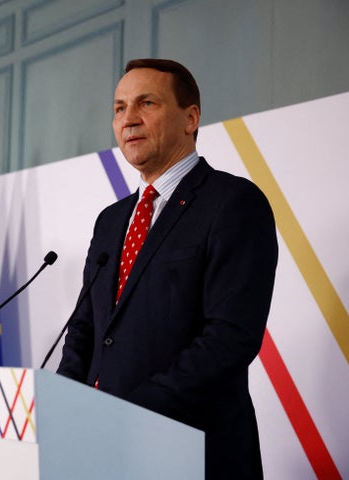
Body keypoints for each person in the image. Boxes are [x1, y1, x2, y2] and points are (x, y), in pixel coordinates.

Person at [56, 59, 278, 479]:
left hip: (192, 446)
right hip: (102, 446)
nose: (129, 119)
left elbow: (230, 336)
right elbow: (86, 327)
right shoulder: (110, 219)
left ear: (190, 118)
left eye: (147, 103)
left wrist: (131, 411)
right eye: (119, 108)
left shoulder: (233, 202)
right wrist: (67, 404)